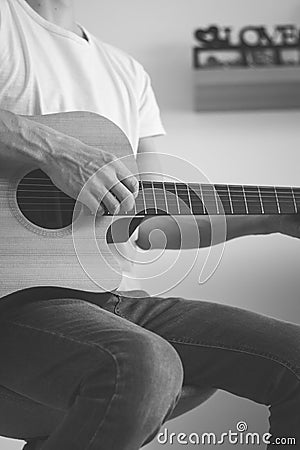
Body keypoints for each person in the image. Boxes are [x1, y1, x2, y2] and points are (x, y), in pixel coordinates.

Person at [0, 1, 299, 449]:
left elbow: (153, 220)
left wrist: (273, 217)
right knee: (147, 363)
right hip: (12, 303)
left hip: (101, 299)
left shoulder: (128, 72)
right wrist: (54, 152)